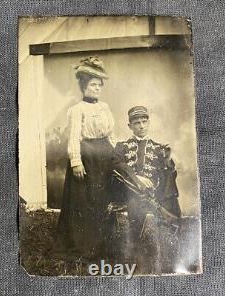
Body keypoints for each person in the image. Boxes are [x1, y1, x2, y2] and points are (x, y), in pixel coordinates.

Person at [57, 56, 115, 261]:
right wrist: (76, 162)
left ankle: (102, 244)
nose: (97, 88)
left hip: (104, 156)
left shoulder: (105, 107)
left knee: (103, 199)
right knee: (85, 202)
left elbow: (110, 136)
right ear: (83, 86)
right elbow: (74, 138)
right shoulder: (77, 110)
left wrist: (116, 156)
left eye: (99, 84)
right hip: (87, 157)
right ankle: (83, 247)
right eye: (93, 84)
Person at [112, 106, 181, 272]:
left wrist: (167, 160)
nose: (141, 126)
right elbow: (115, 164)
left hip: (154, 194)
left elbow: (168, 174)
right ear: (130, 126)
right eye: (136, 123)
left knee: (166, 216)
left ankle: (162, 260)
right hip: (129, 192)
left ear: (149, 123)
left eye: (144, 122)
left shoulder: (158, 148)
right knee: (135, 210)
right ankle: (133, 260)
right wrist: (137, 179)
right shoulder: (122, 146)